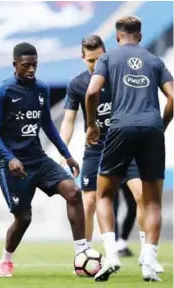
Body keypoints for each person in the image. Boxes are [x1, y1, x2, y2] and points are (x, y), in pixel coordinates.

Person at [0, 42, 93, 278]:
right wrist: (10, 158)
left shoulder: (41, 89)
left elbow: (47, 125)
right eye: (26, 65)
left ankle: (81, 254)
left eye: (35, 65)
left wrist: (67, 154)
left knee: (74, 193)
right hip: (12, 163)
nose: (32, 70)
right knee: (24, 218)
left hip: (38, 158)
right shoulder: (3, 90)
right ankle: (6, 259)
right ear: (15, 65)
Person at [59, 35, 163, 271]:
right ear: (83, 58)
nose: (95, 65)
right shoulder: (77, 84)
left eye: (99, 59)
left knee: (141, 196)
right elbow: (68, 120)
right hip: (95, 149)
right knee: (88, 201)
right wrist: (63, 150)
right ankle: (83, 254)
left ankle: (147, 255)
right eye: (90, 61)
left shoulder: (120, 78)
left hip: (124, 145)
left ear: (106, 54)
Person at [85, 16, 173, 282]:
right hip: (151, 129)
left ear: (117, 36)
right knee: (153, 200)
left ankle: (111, 254)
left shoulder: (108, 58)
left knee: (104, 195)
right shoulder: (155, 61)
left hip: (121, 128)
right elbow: (173, 97)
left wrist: (91, 125)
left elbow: (91, 93)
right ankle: (149, 259)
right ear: (141, 36)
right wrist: (161, 124)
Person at [114, 184, 136, 257]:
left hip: (129, 174)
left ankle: (122, 242)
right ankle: (114, 243)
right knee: (112, 208)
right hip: (113, 173)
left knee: (133, 206)